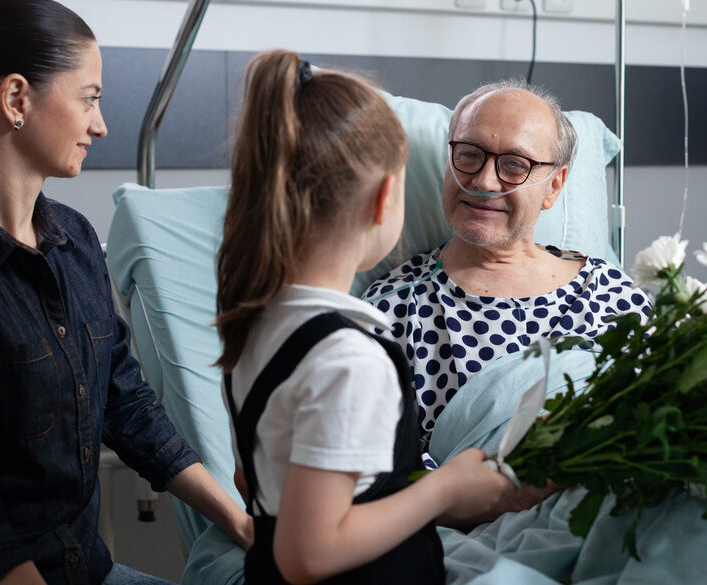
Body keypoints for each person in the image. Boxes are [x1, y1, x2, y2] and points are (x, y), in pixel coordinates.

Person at [0, 2, 252, 584]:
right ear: (17, 100)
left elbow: (127, 405)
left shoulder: (76, 240)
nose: (100, 125)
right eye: (90, 97)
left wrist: (239, 518)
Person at [215, 50, 512, 585]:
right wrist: (444, 489)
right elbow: (311, 553)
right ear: (383, 200)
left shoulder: (256, 321)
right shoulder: (351, 358)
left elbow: (252, 476)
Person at [362, 80, 651, 448]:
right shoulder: (394, 308)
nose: (484, 181)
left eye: (515, 165)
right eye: (469, 154)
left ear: (554, 187)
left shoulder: (613, 297)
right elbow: (380, 470)